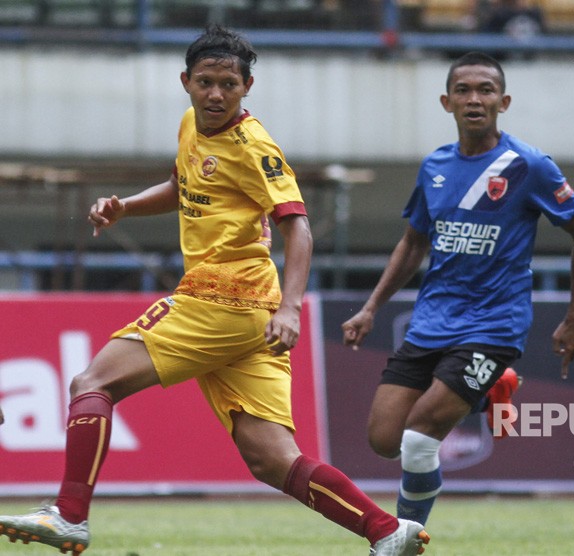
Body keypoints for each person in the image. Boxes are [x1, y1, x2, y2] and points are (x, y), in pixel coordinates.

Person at [0, 24, 428, 556]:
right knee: (271, 458)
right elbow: (185, 185)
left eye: (229, 83)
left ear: (248, 86)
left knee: (94, 382)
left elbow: (299, 226)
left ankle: (69, 514)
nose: (216, 94)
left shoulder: (255, 146)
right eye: (206, 82)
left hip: (222, 297)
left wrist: (292, 308)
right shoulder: (191, 127)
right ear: (186, 81)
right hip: (251, 319)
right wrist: (126, 207)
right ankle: (386, 531)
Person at [341, 51, 574, 526]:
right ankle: (490, 391)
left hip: (493, 324)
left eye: (485, 91)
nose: (474, 100)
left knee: (419, 439)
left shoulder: (529, 165)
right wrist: (371, 308)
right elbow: (414, 241)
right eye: (463, 91)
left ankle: (403, 536)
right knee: (384, 441)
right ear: (446, 102)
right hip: (433, 318)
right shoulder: (434, 166)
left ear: (504, 101)